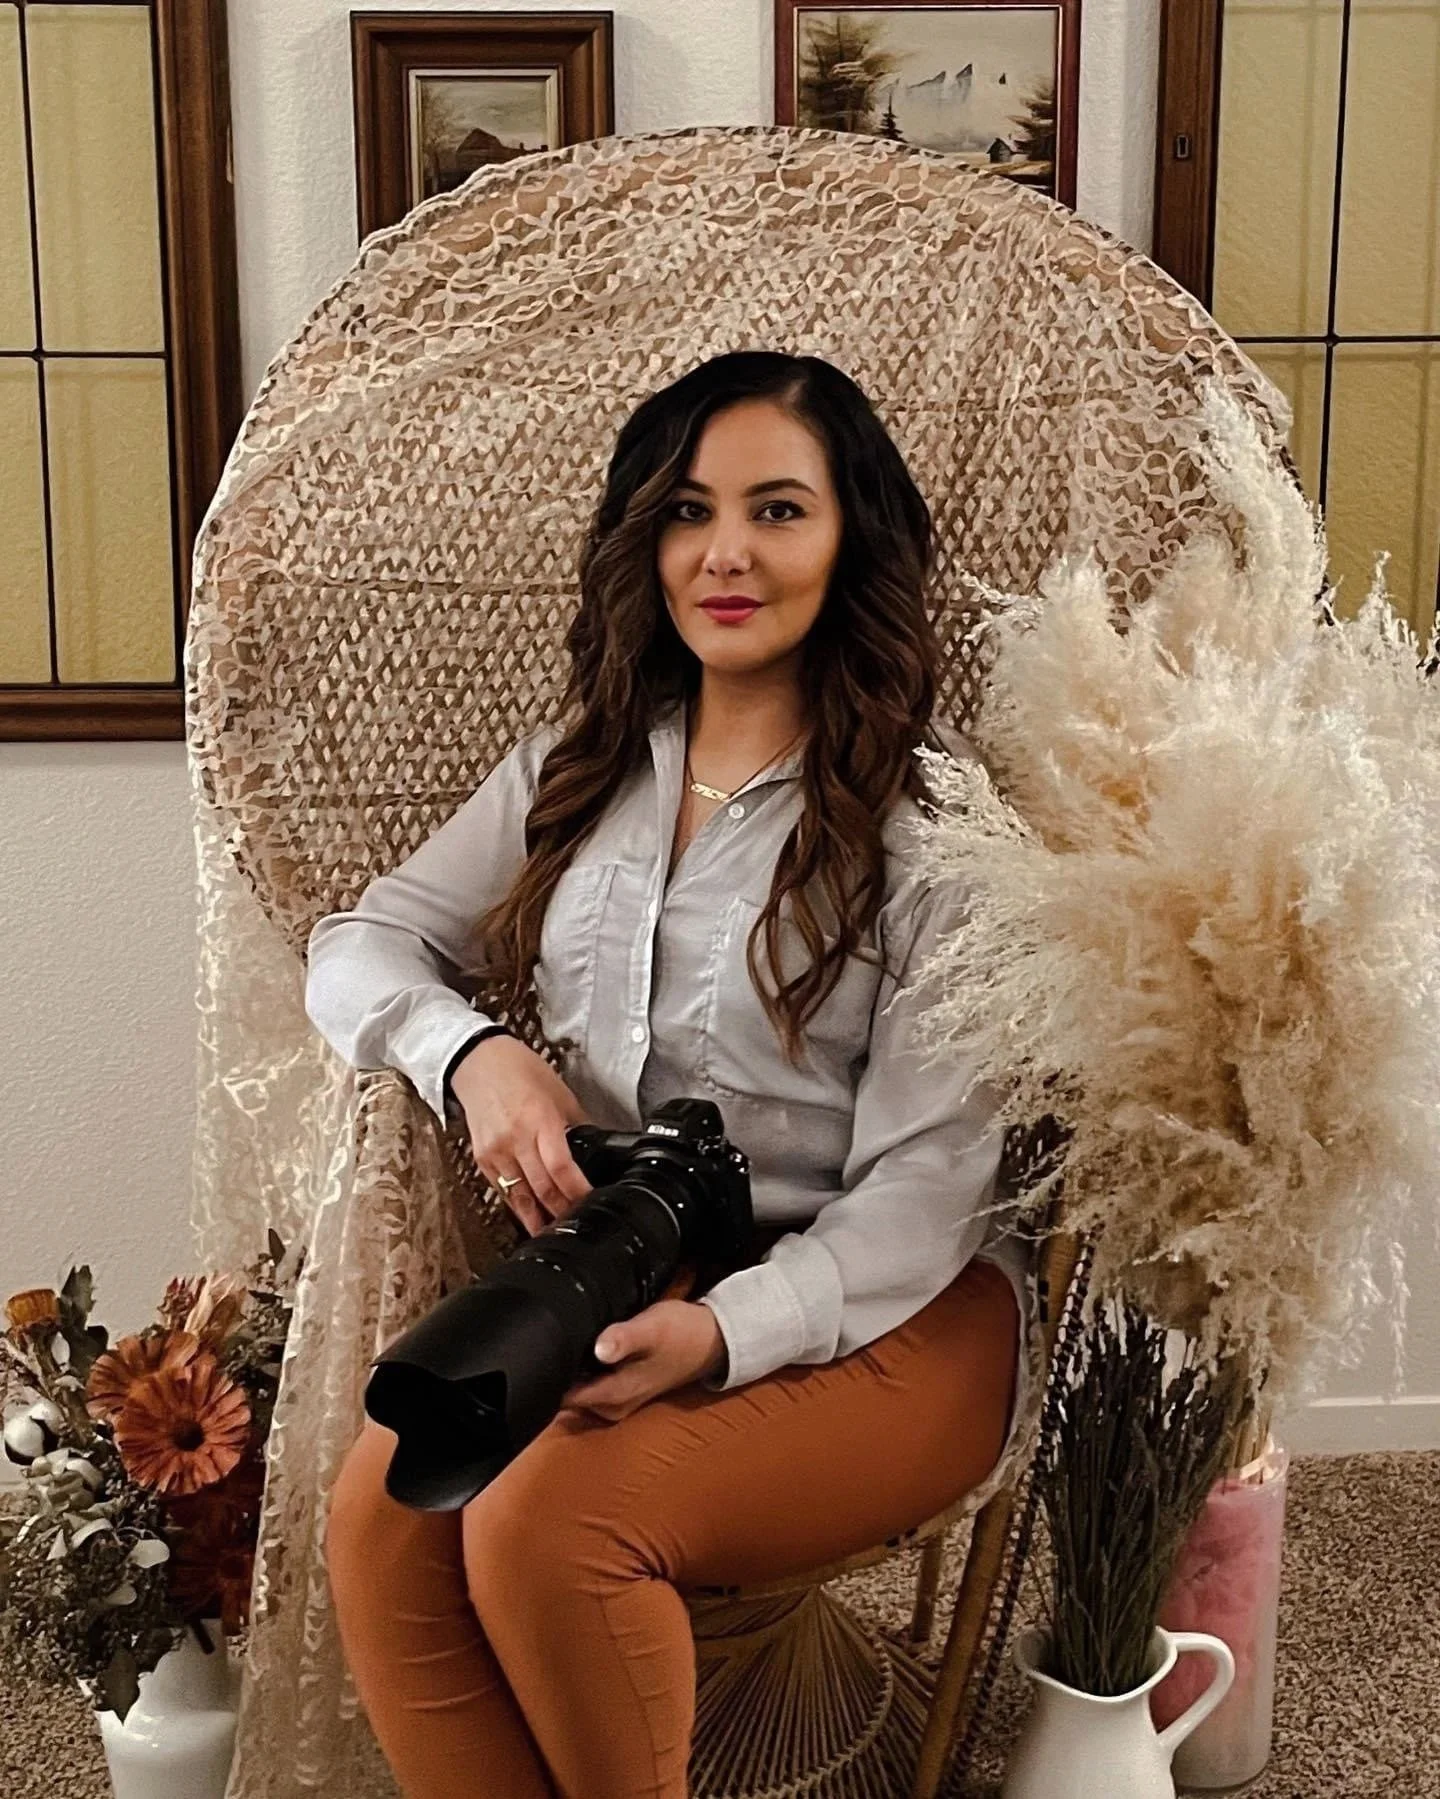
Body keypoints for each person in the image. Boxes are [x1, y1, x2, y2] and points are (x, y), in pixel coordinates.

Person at [307, 349, 1031, 1799]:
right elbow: (356, 945)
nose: (726, 552)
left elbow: (930, 1188)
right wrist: (476, 1052)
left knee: (544, 1530)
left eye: (779, 510)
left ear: (852, 541)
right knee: (390, 1501)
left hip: (896, 1307)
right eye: (691, 510)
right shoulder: (579, 773)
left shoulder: (937, 821)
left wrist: (728, 1335)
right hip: (634, 1264)